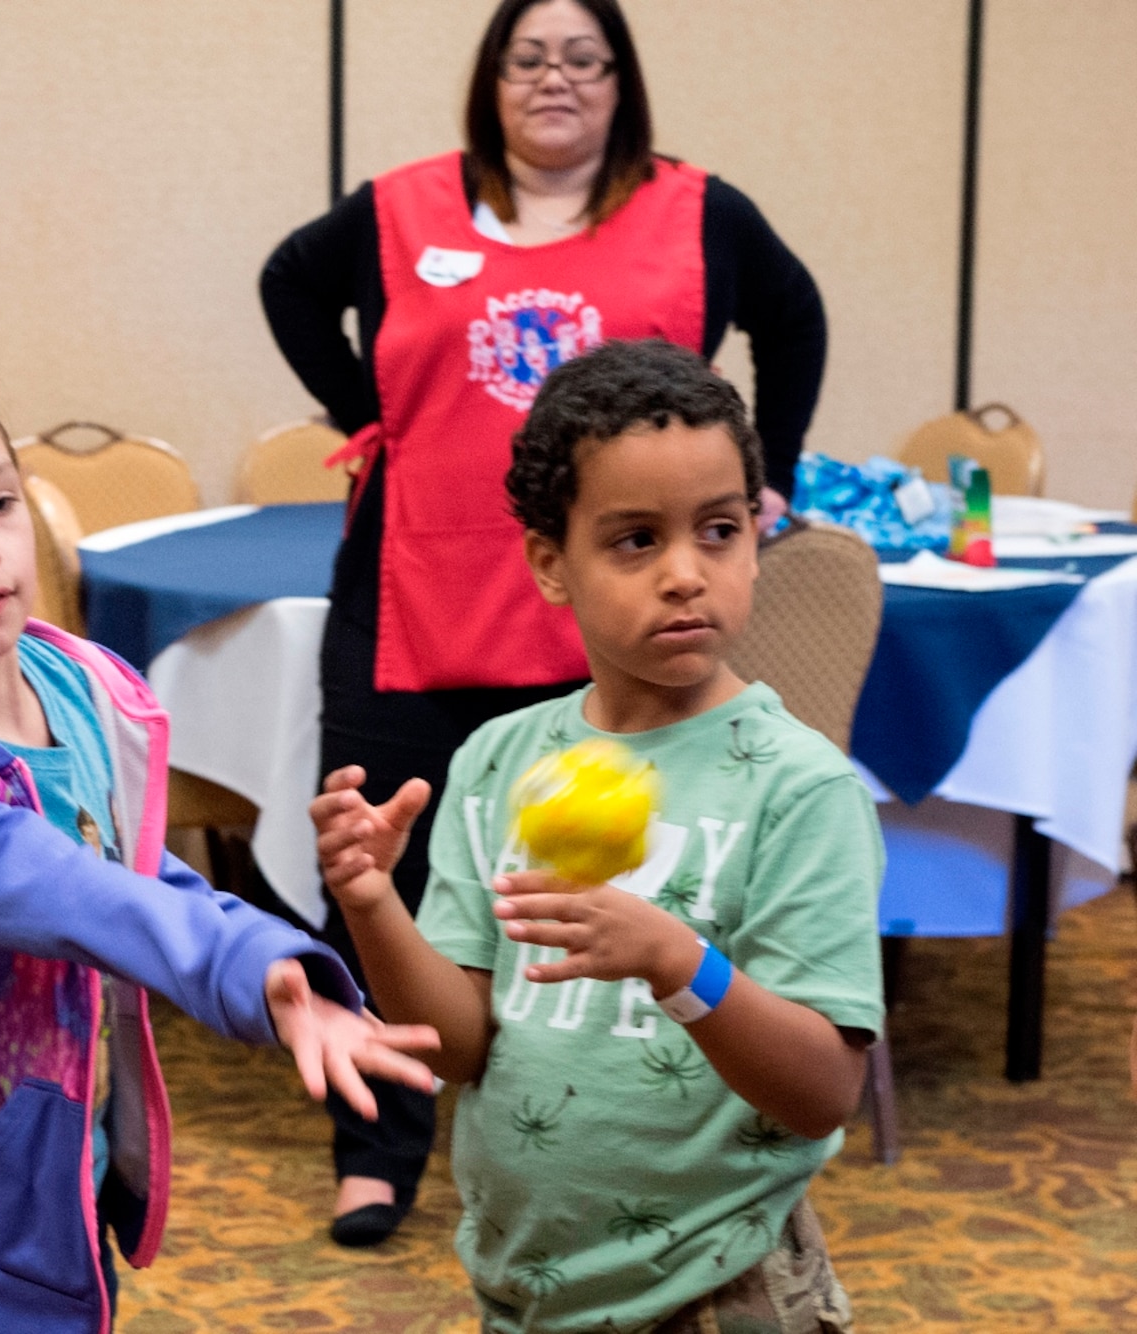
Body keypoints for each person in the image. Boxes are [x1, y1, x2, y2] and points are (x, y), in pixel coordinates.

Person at [259, 0, 829, 1244]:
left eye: (584, 57)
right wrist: (372, 411)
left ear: (621, 82)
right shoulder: (399, 207)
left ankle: (602, 1130)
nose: (555, 78)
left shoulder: (697, 210)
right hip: (417, 595)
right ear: (490, 78)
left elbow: (792, 316)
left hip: (614, 621)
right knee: (388, 866)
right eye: (529, 57)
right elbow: (287, 283)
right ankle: (376, 1141)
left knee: (632, 883)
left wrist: (768, 466)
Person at [0, 354, 440, 1334]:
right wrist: (232, 958)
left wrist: (272, 969)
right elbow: (75, 893)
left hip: (43, 1208)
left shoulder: (69, 687)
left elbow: (132, 868)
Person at [310, 339, 881, 1332]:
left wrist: (677, 961)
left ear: (757, 535)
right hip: (528, 1279)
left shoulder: (801, 787)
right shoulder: (498, 761)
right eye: (632, 540)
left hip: (723, 1284)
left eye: (716, 530)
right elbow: (459, 1041)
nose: (682, 574)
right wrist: (369, 905)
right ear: (549, 562)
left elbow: (823, 1089)